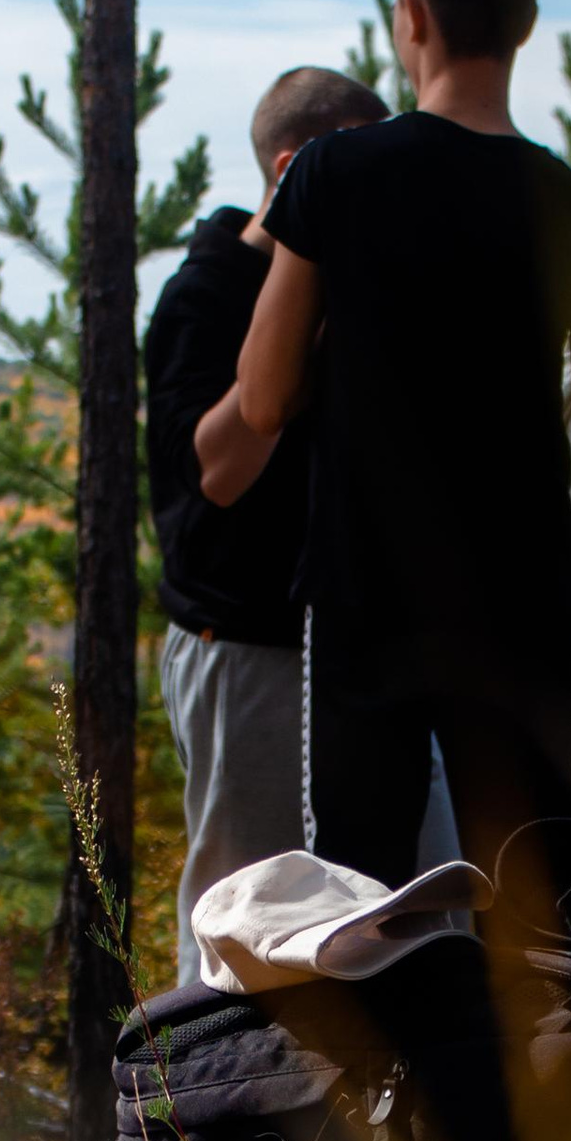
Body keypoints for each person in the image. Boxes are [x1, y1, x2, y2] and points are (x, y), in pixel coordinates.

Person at [198, 0, 571, 914]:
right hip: (523, 604)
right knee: (540, 895)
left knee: (356, 896)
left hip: (366, 594)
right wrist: (565, 609)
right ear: (526, 23)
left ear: (412, 13)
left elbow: (263, 399)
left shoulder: (335, 174)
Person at [145, 66, 386, 987]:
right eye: (353, 170)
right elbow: (216, 475)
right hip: (242, 647)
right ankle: (191, 1076)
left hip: (343, 646)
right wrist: (295, 349)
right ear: (294, 171)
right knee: (239, 915)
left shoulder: (347, 289)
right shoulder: (207, 293)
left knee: (379, 907)